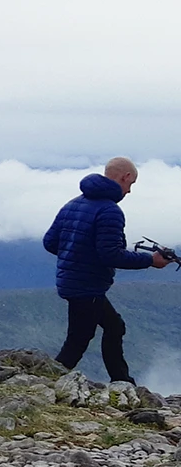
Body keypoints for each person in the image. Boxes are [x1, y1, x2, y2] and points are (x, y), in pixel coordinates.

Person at [42, 156, 170, 383]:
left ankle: (120, 380)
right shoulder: (110, 211)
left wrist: (78, 256)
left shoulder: (74, 204)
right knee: (82, 339)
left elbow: (50, 242)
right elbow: (111, 255)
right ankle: (48, 381)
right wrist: (151, 260)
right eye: (131, 184)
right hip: (87, 286)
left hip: (72, 282)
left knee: (109, 328)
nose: (129, 191)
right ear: (125, 177)